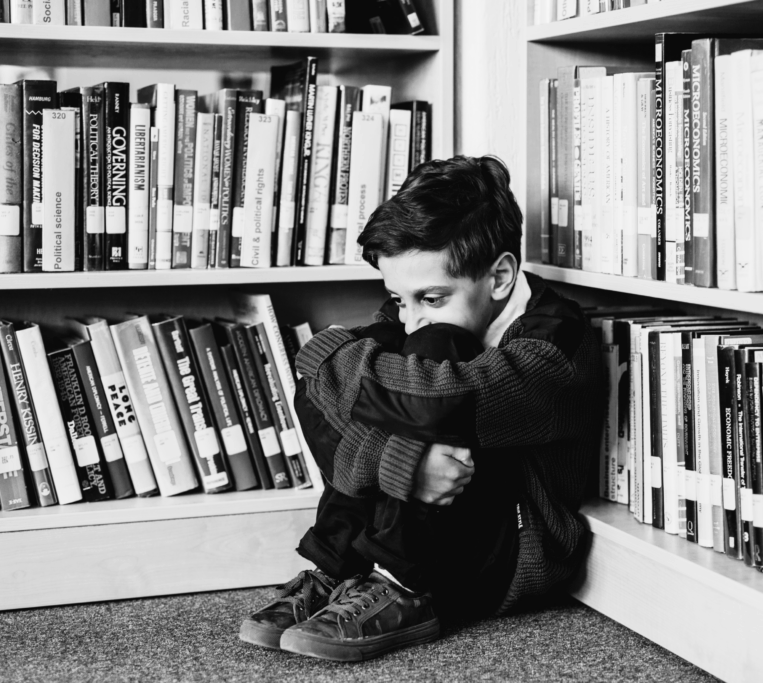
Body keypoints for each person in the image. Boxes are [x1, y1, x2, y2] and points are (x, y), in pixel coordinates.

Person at [239, 155, 603, 662]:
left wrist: (333, 359)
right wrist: (406, 467)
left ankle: (400, 582)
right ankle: (343, 569)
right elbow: (314, 387)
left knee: (430, 355)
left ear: (499, 276)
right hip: (446, 524)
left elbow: (432, 399)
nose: (408, 318)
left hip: (516, 546)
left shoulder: (554, 344)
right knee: (386, 373)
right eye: (396, 296)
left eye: (430, 298)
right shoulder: (415, 313)